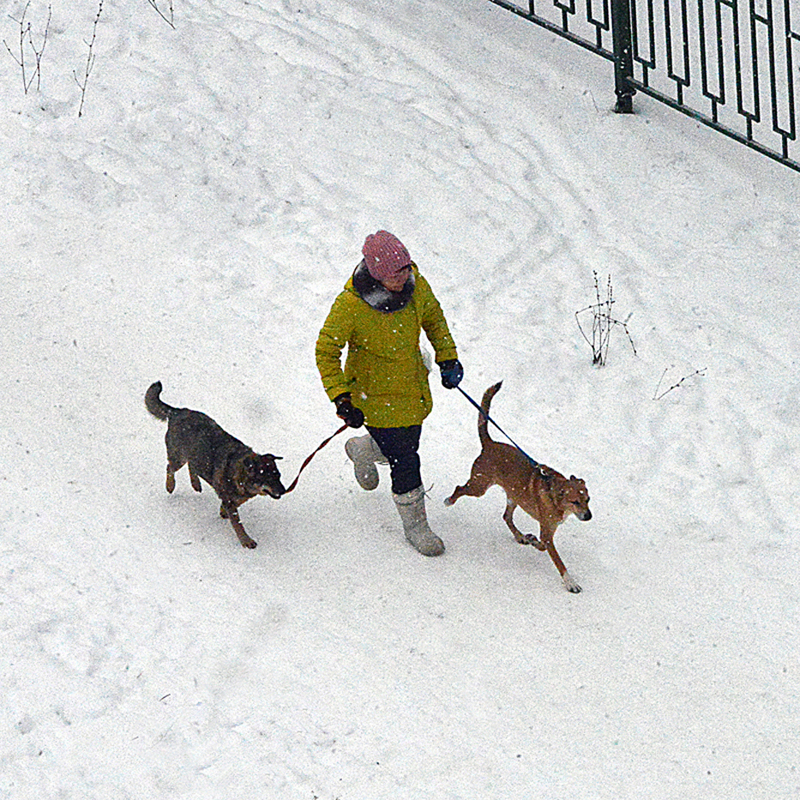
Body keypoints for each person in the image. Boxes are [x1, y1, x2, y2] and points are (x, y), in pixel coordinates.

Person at [315, 230, 464, 556]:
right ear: (377, 274)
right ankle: (416, 527)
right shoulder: (350, 305)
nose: (404, 276)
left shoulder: (415, 285)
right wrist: (341, 397)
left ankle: (362, 449)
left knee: (406, 445)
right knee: (406, 459)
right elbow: (326, 351)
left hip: (411, 389)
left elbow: (434, 318)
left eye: (406, 268)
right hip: (372, 396)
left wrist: (448, 357)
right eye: (395, 273)